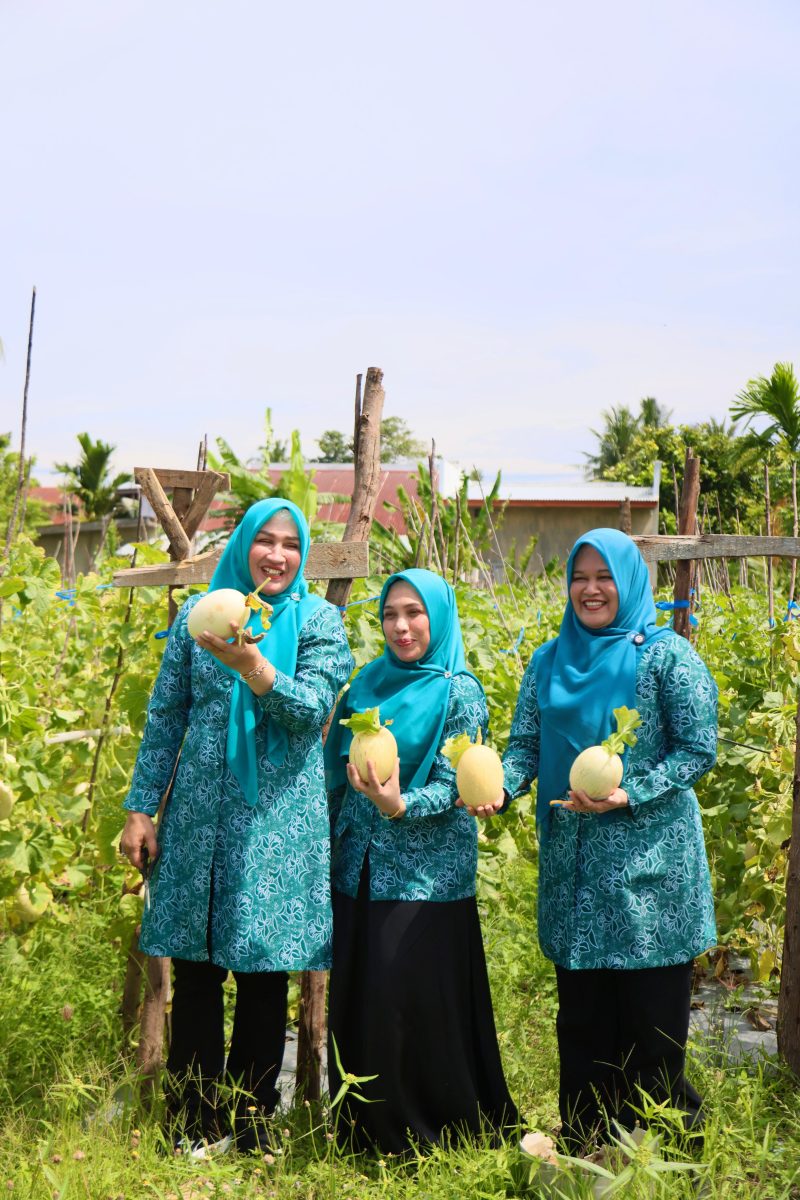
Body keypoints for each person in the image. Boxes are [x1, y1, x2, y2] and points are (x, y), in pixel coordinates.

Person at [120, 498, 354, 1151]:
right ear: (244, 545)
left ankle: (252, 1125)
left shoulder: (317, 622)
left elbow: (310, 712)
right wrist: (141, 807)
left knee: (262, 971)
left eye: (289, 544)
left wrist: (254, 666)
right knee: (194, 969)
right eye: (265, 541)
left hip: (276, 824)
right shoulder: (205, 617)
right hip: (198, 818)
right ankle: (193, 1122)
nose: (277, 555)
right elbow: (166, 716)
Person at [485, 528, 717, 1152]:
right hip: (576, 870)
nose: (591, 589)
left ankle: (672, 1157)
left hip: (652, 876)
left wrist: (631, 792)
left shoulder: (667, 657)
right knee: (583, 1025)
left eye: (604, 577)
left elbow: (700, 748)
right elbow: (525, 747)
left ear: (629, 582)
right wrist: (501, 789)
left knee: (653, 1026)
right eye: (579, 578)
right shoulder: (549, 659)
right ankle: (588, 1151)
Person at [324, 568, 518, 1155]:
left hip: (424, 875)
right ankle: (363, 1133)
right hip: (358, 864)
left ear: (438, 616)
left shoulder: (459, 690)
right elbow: (339, 769)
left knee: (406, 1000)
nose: (401, 626)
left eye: (414, 613)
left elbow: (460, 784)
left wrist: (401, 804)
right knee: (363, 995)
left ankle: (431, 1132)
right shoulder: (365, 684)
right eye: (390, 614)